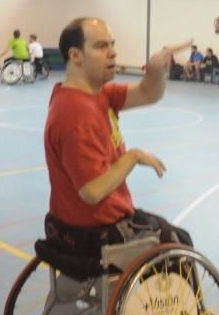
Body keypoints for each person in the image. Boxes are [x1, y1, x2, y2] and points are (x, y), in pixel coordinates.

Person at [37, 17, 193, 277]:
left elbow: (148, 93)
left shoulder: (94, 94)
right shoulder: (76, 114)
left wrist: (155, 68)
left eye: (112, 44)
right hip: (95, 232)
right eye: (101, 46)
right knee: (178, 242)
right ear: (75, 55)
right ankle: (192, 313)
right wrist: (133, 156)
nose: (112, 52)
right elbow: (92, 191)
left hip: (68, 225)